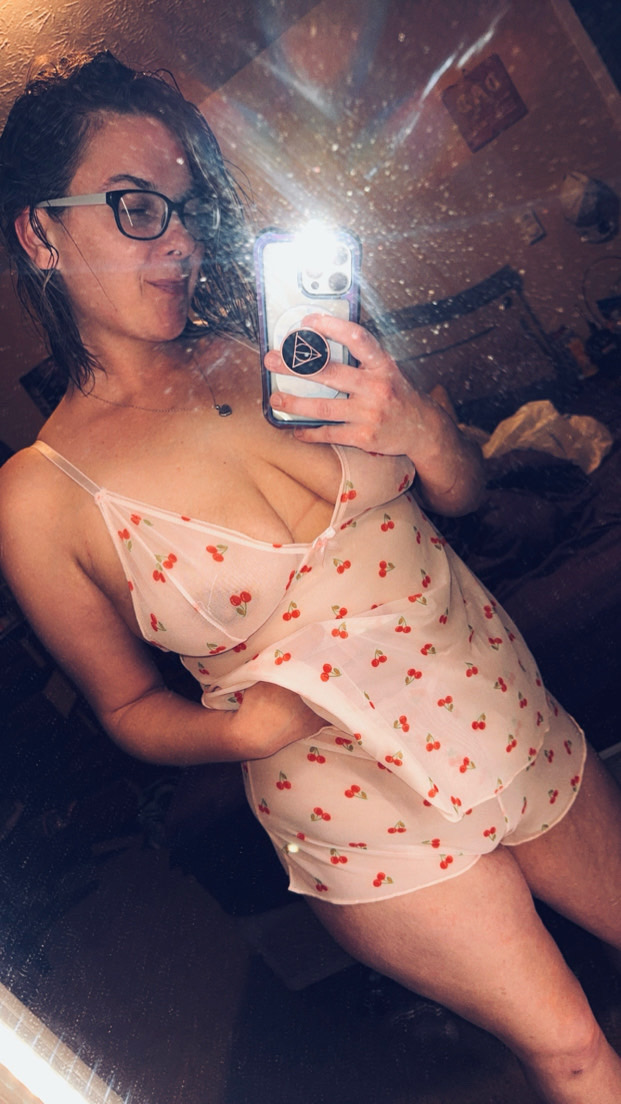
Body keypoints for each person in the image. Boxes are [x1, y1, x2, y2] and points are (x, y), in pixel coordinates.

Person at [0, 50, 620, 1103]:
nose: (179, 242)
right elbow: (127, 709)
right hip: (351, 804)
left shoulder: (271, 346)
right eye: (136, 208)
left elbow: (463, 493)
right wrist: (241, 731)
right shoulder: (41, 493)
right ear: (40, 233)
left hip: (499, 704)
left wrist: (420, 426)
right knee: (571, 1051)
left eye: (187, 210)